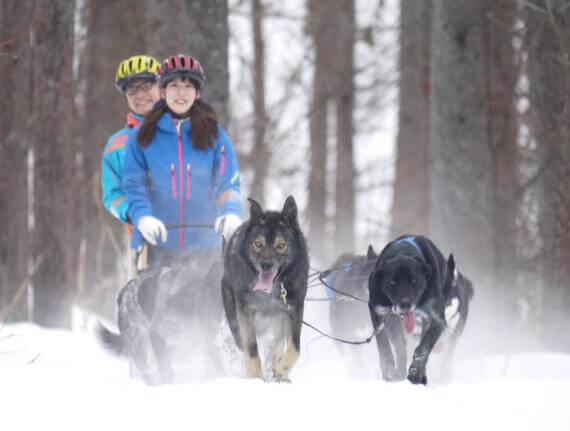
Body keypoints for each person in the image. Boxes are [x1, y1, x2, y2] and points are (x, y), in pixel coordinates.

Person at [122, 54, 242, 264]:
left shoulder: (216, 136)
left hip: (206, 247)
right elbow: (134, 187)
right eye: (174, 85)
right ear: (162, 91)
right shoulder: (141, 137)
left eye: (188, 86)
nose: (181, 92)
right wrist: (143, 217)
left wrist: (231, 212)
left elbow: (229, 184)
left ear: (197, 93)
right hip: (156, 246)